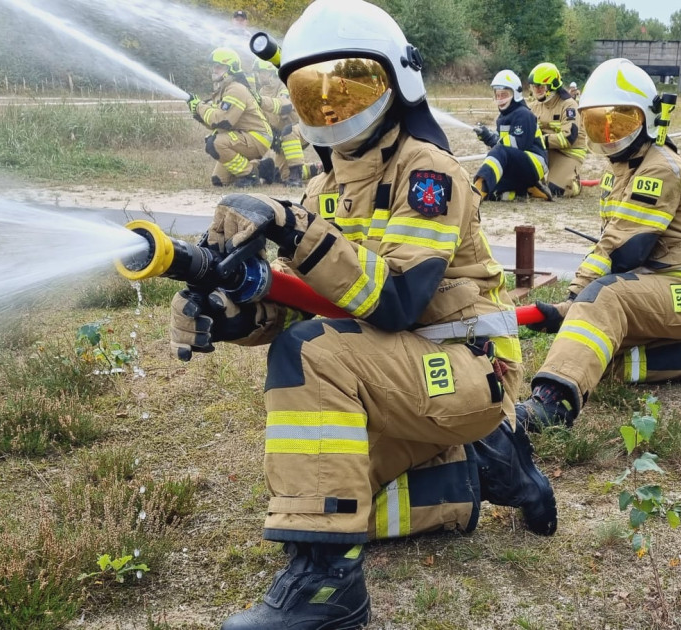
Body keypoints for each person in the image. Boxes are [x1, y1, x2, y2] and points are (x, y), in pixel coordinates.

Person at [170, 1, 557, 627]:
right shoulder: (322, 191)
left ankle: (330, 591)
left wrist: (293, 230)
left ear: (398, 81)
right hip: (395, 378)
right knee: (321, 497)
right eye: (311, 93)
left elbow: (398, 303)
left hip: (466, 368)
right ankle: (486, 470)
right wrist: (232, 307)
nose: (332, 109)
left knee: (311, 358)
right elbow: (307, 301)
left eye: (351, 88)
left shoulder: (429, 174)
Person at [516, 58, 681, 432]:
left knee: (604, 299)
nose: (610, 134)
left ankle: (552, 404)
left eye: (621, 122)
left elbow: (622, 250)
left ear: (648, 117)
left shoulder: (659, 168)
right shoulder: (617, 173)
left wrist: (573, 301)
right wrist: (574, 310)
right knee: (596, 356)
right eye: (598, 124)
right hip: (656, 281)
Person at [187, 48, 274, 188]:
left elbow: (223, 120)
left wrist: (199, 107)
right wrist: (198, 114)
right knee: (219, 181)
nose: (214, 70)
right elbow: (216, 124)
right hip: (244, 135)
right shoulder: (223, 90)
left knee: (215, 143)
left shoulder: (235, 89)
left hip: (258, 137)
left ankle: (249, 174)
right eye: (213, 66)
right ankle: (261, 168)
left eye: (219, 66)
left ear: (231, 68)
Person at [472, 69, 551, 201]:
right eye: (498, 95)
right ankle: (526, 190)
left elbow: (518, 145)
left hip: (535, 163)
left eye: (504, 94)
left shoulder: (524, 114)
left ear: (516, 94)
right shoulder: (502, 118)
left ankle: (479, 188)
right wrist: (487, 137)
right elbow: (503, 144)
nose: (500, 99)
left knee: (491, 171)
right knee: (493, 187)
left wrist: (492, 139)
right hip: (516, 165)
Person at [527, 62, 587, 198]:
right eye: (534, 87)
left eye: (540, 87)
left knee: (555, 190)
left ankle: (574, 182)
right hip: (544, 150)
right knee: (525, 185)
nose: (536, 90)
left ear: (552, 85)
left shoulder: (569, 105)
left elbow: (568, 138)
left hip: (568, 153)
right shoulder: (533, 106)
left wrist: (539, 140)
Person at [253, 59, 309, 187]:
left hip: (302, 128)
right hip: (282, 135)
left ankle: (296, 177)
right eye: (258, 73)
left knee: (289, 131)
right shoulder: (262, 91)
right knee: (281, 175)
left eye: (261, 72)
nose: (258, 76)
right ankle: (318, 169)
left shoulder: (284, 84)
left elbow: (285, 105)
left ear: (270, 72)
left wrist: (261, 101)